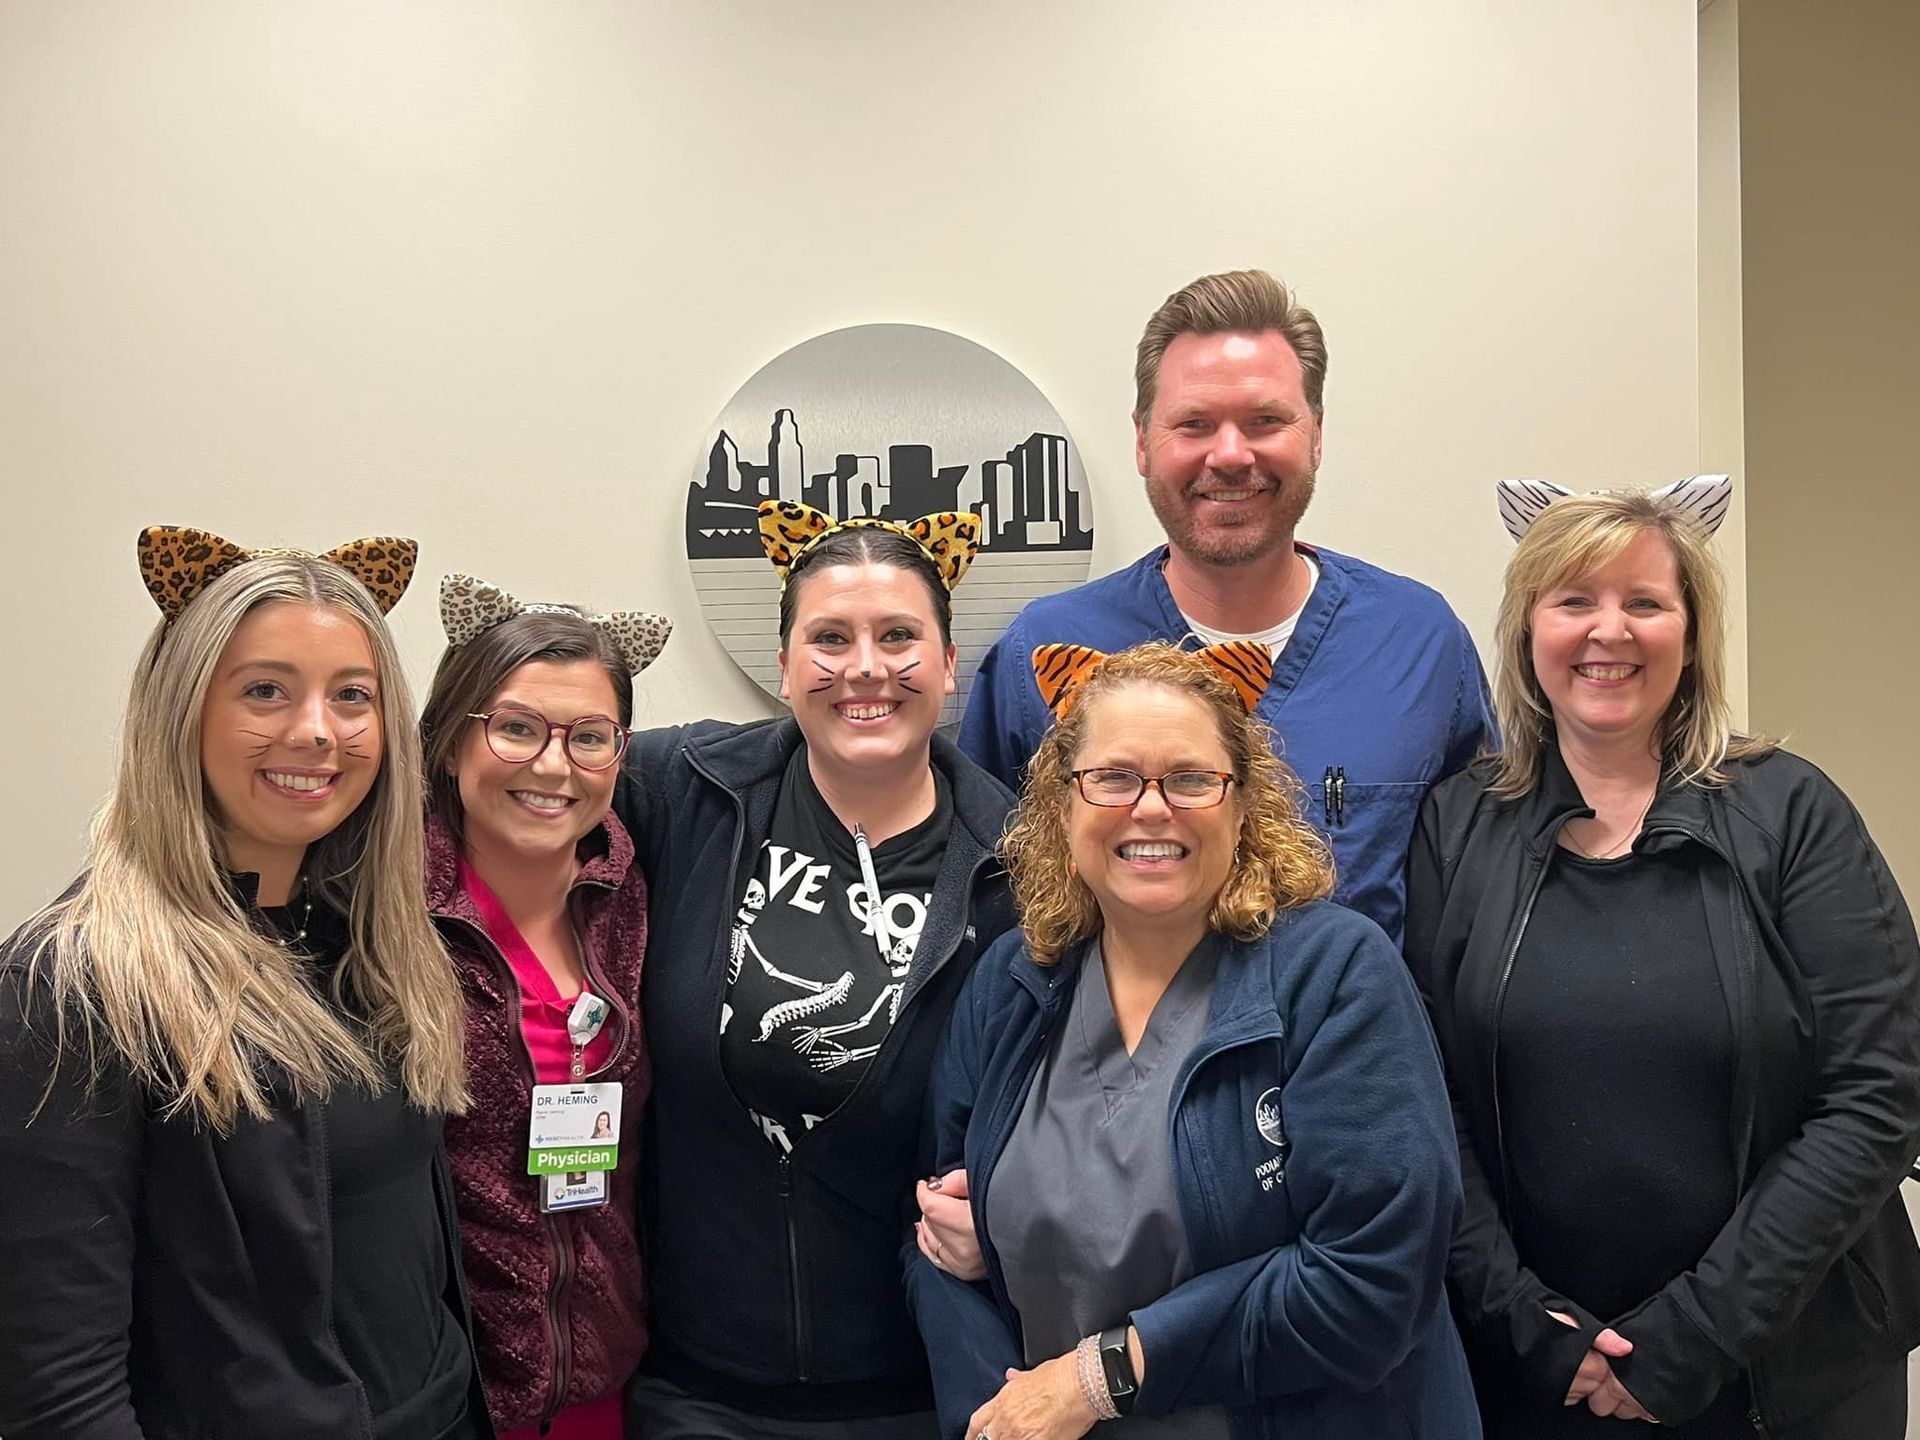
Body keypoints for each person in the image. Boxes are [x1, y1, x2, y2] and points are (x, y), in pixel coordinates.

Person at [1404, 480, 1920, 1437]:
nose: (1611, 631)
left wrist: (1700, 1333)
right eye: (1574, 601)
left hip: (1784, 1371)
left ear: (1691, 631)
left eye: (1645, 602)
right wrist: (1525, 1323)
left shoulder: (1793, 814)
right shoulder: (1455, 826)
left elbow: (1879, 1094)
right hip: (1543, 1373)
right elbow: (1423, 1100)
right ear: (1527, 631)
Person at [913, 641, 1478, 1440]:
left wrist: (1097, 1378)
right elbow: (938, 1237)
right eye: (1111, 777)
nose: (1151, 808)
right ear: (1061, 806)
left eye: (1190, 779)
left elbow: (1372, 1282)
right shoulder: (1017, 979)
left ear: (1243, 805)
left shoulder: (1334, 975)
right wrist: (992, 1419)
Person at [0, 527, 490, 1440]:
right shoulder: (73, 987)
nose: (316, 730)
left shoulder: (375, 945)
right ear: (180, 711)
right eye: (265, 690)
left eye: (353, 696)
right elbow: (60, 1394)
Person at [617, 500, 1019, 1437]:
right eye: (830, 638)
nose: (866, 668)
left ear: (950, 664)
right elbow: (512, 794)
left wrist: (998, 1223)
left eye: (900, 637)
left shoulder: (1022, 864)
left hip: (920, 1388)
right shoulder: (682, 791)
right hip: (695, 1388)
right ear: (788, 663)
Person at [961, 269, 1492, 944]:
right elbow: (988, 909)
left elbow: (1484, 901)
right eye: (1195, 423)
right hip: (1108, 1046)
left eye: (1266, 420)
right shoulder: (1045, 652)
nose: (1232, 454)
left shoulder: (1418, 644)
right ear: (1143, 440)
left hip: (1355, 1046)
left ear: (1318, 434)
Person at [420, 575, 671, 1439]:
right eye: (517, 729)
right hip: (448, 1397)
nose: (554, 766)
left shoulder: (636, 899)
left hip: (605, 1379)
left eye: (589, 738)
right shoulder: (379, 914)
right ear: (451, 740)